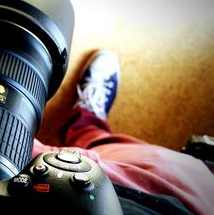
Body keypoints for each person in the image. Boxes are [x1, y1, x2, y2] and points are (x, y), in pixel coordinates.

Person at [32, 50, 214, 215]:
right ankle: (86, 123)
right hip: (192, 196)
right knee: (117, 147)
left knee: (15, 154)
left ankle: (85, 125)